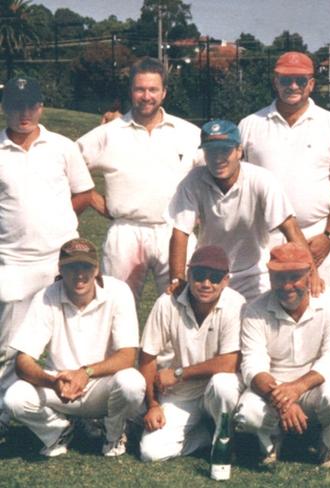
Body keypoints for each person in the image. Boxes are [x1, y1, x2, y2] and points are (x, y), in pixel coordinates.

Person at [0, 77, 94, 434]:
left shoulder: (62, 146)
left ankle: (81, 410)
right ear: (4, 107)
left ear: (41, 106)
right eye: (15, 105)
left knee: (71, 337)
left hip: (62, 260)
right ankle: (8, 413)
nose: (24, 113)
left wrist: (59, 224)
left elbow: (83, 193)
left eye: (31, 105)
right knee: (10, 345)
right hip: (12, 261)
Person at [3, 238, 144, 457]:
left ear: (96, 269)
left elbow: (127, 356)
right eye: (71, 267)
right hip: (59, 387)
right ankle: (59, 430)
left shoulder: (118, 292)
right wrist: (53, 381)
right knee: (14, 398)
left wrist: (85, 373)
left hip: (100, 386)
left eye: (86, 266)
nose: (79, 274)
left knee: (132, 383)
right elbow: (23, 361)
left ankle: (113, 434)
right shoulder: (46, 296)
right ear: (60, 269)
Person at [76, 57, 200, 300]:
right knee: (118, 307)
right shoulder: (108, 134)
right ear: (131, 91)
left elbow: (213, 174)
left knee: (183, 305)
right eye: (140, 89)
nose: (146, 96)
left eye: (153, 89)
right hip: (126, 231)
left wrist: (199, 212)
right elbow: (70, 165)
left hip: (174, 231)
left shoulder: (189, 133)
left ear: (164, 92)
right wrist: (92, 198)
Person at [239, 51, 330, 286]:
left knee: (315, 311)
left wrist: (329, 237)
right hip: (264, 240)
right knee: (263, 313)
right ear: (275, 82)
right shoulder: (250, 124)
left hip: (316, 238)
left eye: (301, 80)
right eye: (285, 80)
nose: (293, 86)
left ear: (312, 84)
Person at [168, 119, 319, 301]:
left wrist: (312, 272)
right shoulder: (193, 180)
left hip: (255, 271)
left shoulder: (261, 179)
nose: (218, 158)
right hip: (210, 272)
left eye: (225, 150)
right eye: (211, 151)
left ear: (239, 151)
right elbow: (180, 233)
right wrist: (178, 278)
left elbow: (290, 228)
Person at [234, 243, 330, 468]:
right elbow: (252, 365)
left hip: (314, 386)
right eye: (279, 277)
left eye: (295, 277)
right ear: (269, 277)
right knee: (248, 413)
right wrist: (284, 401)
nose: (287, 285)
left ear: (310, 275)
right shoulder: (255, 309)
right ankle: (272, 440)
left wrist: (297, 388)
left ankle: (329, 445)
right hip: (274, 388)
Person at [139, 245, 245, 462]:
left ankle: (225, 437)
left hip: (214, 389)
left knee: (223, 384)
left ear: (226, 280)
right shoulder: (166, 303)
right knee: (152, 453)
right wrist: (153, 405)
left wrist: (179, 373)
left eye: (215, 277)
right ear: (188, 274)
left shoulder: (236, 304)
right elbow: (147, 357)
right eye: (199, 276)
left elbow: (230, 362)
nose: (206, 284)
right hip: (180, 395)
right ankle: (206, 437)